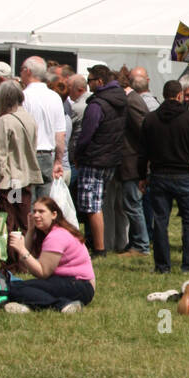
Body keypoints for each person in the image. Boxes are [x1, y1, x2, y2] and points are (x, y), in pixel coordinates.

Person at [137, 78, 189, 274]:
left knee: (160, 221)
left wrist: (142, 176)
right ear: (180, 95)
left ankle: (162, 265)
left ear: (164, 95)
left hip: (159, 175)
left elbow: (143, 152)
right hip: (183, 174)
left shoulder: (150, 119)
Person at [5, 197, 95, 313]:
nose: (36, 215)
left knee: (15, 289)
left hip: (79, 286)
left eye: (41, 212)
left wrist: (22, 250)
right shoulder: (50, 232)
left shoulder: (56, 236)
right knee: (20, 286)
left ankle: (61, 305)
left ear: (54, 214)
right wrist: (31, 230)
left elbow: (43, 273)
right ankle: (32, 306)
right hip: (72, 284)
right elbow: (24, 261)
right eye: (34, 211)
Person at [73, 64, 127, 258]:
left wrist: (77, 155)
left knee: (91, 205)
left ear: (100, 82)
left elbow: (86, 135)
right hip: (111, 157)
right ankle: (99, 243)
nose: (88, 84)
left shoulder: (97, 105)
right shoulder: (120, 100)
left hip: (94, 158)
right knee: (99, 203)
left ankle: (99, 248)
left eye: (90, 80)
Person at [0, 80, 43, 246]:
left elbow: (1, 154)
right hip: (25, 177)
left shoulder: (6, 120)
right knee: (23, 217)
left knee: (11, 219)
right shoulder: (29, 118)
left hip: (12, 179)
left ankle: (14, 258)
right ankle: (26, 253)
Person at [19, 56, 65, 199]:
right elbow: (60, 135)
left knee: (26, 203)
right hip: (47, 155)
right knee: (43, 203)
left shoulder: (23, 97)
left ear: (27, 71)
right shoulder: (55, 97)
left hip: (27, 155)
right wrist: (58, 160)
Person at [116, 73, 151, 256]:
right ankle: (137, 242)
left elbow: (143, 131)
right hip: (132, 161)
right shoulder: (132, 100)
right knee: (131, 204)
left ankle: (141, 245)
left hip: (133, 162)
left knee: (133, 204)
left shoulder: (132, 101)